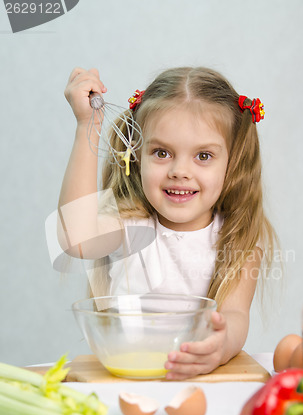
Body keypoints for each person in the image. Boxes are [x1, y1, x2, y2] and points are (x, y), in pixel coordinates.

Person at [58, 66, 277, 380]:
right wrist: (87, 127)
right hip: (128, 379)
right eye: (162, 152)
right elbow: (75, 237)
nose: (179, 171)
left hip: (198, 384)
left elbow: (235, 315)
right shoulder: (132, 226)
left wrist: (221, 345)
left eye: (203, 156)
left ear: (234, 163)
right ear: (137, 156)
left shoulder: (236, 238)